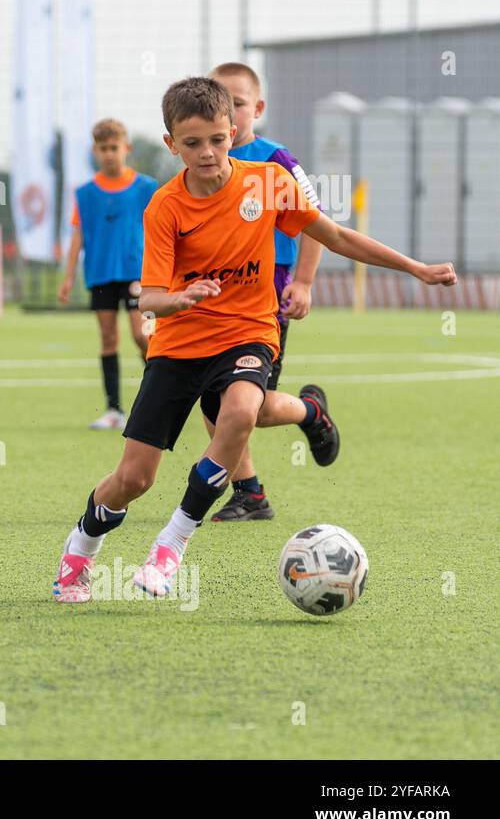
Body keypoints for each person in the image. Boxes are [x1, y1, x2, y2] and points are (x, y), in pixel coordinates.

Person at [53, 76, 456, 604]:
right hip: (177, 346)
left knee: (241, 412)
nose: (208, 153)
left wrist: (416, 268)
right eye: (192, 143)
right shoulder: (165, 207)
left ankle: (170, 546)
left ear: (236, 129)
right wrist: (182, 297)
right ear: (171, 144)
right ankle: (81, 545)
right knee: (133, 479)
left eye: (218, 139)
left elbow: (334, 236)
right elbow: (149, 297)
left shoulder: (268, 182)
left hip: (247, 333)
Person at [204, 61, 326, 521]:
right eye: (219, 103)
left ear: (257, 107)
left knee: (246, 405)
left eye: (237, 103)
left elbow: (318, 225)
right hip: (214, 297)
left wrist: (304, 281)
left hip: (265, 296)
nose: (228, 114)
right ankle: (249, 493)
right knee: (216, 404)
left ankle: (310, 411)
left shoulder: (275, 160)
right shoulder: (206, 163)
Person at [57, 118, 159, 429]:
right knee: (108, 338)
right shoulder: (85, 193)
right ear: (95, 151)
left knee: (143, 336)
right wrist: (68, 276)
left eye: (114, 147)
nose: (109, 154)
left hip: (135, 274)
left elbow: (160, 230)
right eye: (103, 149)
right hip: (101, 274)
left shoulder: (145, 187)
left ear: (126, 148)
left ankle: (159, 400)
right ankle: (114, 410)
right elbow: (78, 235)